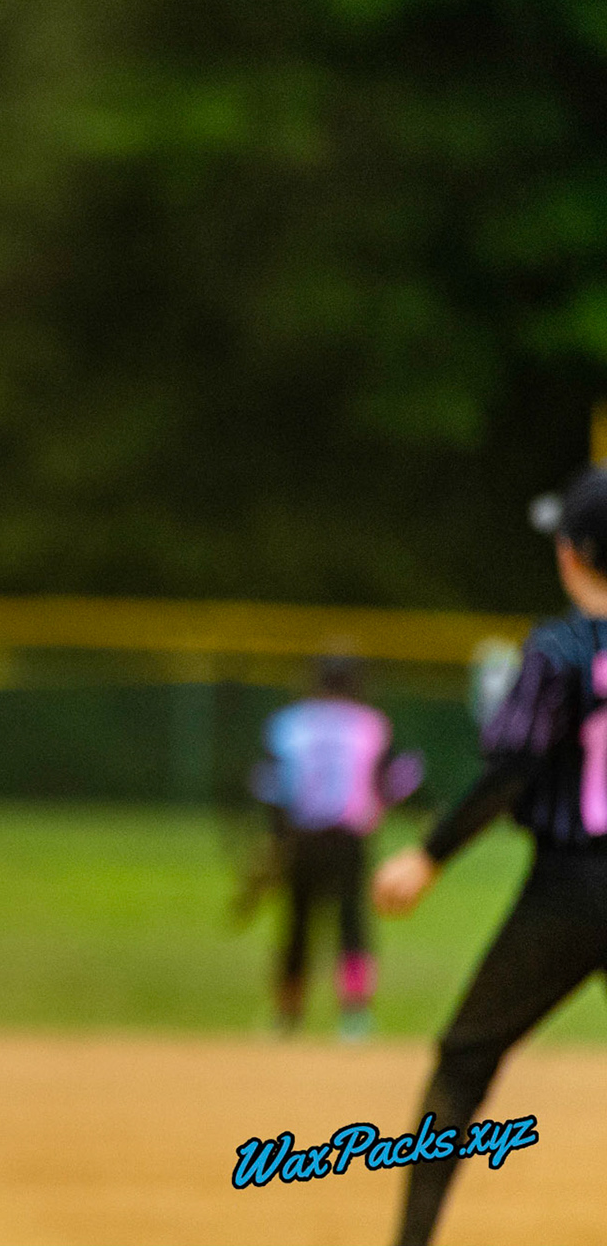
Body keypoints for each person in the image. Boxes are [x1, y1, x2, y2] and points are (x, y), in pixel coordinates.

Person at [375, 466, 607, 1246]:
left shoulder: (558, 650)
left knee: (465, 1058)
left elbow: (513, 769)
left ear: (573, 553)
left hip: (571, 891)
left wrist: (429, 857)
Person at [250, 656, 423, 1038]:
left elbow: (270, 785)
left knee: (297, 925)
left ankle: (287, 1013)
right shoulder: (371, 724)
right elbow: (403, 777)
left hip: (302, 836)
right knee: (352, 924)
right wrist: (384, 804)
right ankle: (355, 1015)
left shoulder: (288, 722)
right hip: (350, 838)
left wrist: (273, 841)